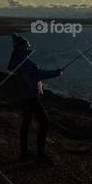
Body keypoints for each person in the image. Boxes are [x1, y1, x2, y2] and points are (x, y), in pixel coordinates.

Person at [7, 33, 63, 168]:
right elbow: (40, 74)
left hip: (24, 97)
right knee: (45, 123)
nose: (29, 49)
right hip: (31, 97)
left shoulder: (15, 60)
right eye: (27, 47)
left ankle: (24, 151)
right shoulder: (27, 63)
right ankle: (40, 157)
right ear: (23, 48)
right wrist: (56, 72)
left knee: (26, 123)